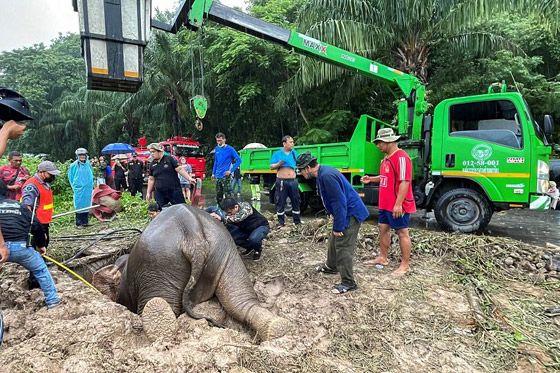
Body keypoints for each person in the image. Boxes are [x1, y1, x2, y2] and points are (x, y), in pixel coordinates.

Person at [296, 151, 369, 294]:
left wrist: (339, 225)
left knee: (343, 245)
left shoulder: (326, 176)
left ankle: (348, 282)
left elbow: (339, 202)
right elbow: (332, 199)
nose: (301, 174)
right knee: (334, 239)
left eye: (301, 170)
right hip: (344, 211)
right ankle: (331, 266)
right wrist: (332, 215)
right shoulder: (323, 173)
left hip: (350, 213)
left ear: (307, 168)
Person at [361, 128, 416, 274]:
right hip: (385, 203)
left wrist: (398, 204)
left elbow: (405, 182)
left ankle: (405, 265)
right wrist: (371, 179)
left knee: (402, 232)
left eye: (379, 142)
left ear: (389, 141)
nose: (378, 145)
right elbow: (385, 177)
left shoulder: (402, 158)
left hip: (397, 205)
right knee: (382, 228)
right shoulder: (386, 158)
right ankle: (382, 258)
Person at [0, 179, 59, 309]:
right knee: (41, 270)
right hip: (21, 248)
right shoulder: (19, 206)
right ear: (7, 192)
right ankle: (53, 301)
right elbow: (36, 226)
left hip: (1, 249)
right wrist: (41, 246)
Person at [22, 161, 60, 247]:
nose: (52, 177)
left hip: (44, 221)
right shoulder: (32, 185)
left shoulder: (44, 183)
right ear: (41, 172)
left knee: (44, 243)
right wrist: (35, 227)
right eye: (50, 174)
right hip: (37, 223)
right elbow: (27, 207)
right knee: (38, 246)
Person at [270, 136, 301, 228]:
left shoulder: (294, 153)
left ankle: (297, 222)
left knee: (296, 200)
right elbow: (271, 167)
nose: (292, 144)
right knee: (281, 201)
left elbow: (299, 164)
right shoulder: (277, 154)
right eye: (290, 142)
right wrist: (279, 163)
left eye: (293, 142)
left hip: (293, 181)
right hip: (282, 181)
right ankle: (281, 222)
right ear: (284, 143)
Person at [211, 133, 242, 204]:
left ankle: (230, 210)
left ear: (224, 140)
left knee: (228, 196)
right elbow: (216, 161)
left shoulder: (230, 149)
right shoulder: (217, 148)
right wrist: (213, 173)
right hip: (218, 175)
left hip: (225, 175)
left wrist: (231, 171)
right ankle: (219, 209)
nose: (219, 143)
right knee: (218, 195)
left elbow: (239, 160)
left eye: (220, 141)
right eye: (217, 141)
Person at [68, 147, 94, 229]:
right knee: (79, 205)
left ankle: (85, 221)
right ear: (77, 156)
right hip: (79, 189)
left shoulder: (88, 164)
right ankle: (79, 223)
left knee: (86, 204)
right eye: (80, 155)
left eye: (83, 155)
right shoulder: (73, 165)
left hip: (87, 188)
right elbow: (70, 177)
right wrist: (75, 186)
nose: (82, 157)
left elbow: (91, 174)